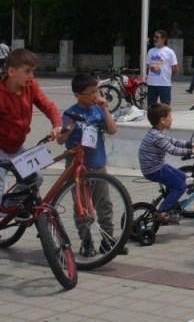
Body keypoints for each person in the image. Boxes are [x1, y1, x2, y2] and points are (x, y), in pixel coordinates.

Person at [0, 48, 64, 263]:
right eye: (27, 71)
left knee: (36, 178)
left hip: (17, 146)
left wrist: (57, 124)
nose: (32, 77)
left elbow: (48, 106)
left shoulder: (31, 87)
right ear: (11, 71)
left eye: (33, 72)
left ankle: (9, 206)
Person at [57, 72, 127, 257]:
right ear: (78, 94)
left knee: (104, 203)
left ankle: (108, 240)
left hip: (97, 163)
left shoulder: (98, 109)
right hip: (75, 164)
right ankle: (86, 241)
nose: (96, 96)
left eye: (97, 91)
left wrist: (105, 109)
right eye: (91, 93)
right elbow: (60, 140)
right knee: (81, 206)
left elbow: (112, 129)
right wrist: (69, 128)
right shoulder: (70, 113)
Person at [138, 103, 194, 224]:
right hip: (154, 170)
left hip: (157, 166)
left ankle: (171, 201)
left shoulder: (157, 132)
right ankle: (161, 211)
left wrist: (191, 144)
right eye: (170, 117)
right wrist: (193, 151)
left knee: (182, 176)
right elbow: (174, 150)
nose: (172, 119)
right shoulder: (157, 136)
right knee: (181, 186)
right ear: (162, 120)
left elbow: (173, 141)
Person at [145, 30, 178, 106]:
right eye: (154, 37)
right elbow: (149, 66)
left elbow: (175, 68)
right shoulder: (150, 51)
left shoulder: (169, 52)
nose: (154, 39)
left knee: (165, 108)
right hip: (152, 84)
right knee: (151, 108)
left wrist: (168, 76)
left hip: (164, 84)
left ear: (163, 39)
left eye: (157, 37)